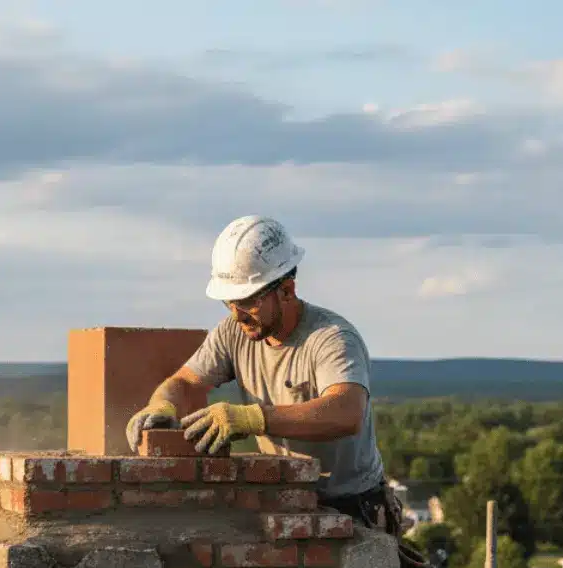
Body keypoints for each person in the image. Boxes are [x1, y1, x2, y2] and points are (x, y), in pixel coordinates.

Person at [126, 214, 402, 537]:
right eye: (230, 302)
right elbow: (185, 382)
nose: (237, 314)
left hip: (353, 511)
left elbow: (347, 410)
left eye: (248, 302)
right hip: (288, 504)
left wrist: (253, 419)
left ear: (286, 290)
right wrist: (162, 405)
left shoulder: (331, 338)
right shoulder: (234, 331)